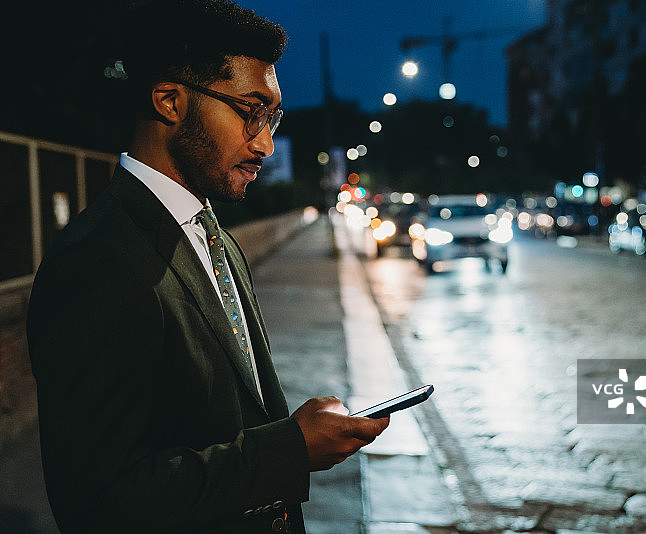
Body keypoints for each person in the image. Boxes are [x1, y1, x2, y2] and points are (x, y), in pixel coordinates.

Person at [25, 1, 389, 533]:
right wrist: (288, 449)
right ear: (169, 101)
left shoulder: (212, 232)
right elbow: (99, 502)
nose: (265, 144)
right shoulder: (95, 260)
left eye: (274, 117)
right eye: (250, 111)